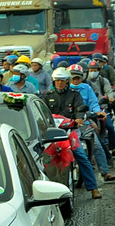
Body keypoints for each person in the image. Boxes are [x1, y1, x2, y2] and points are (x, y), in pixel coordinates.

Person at [43, 67, 101, 198]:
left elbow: (80, 109)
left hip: (70, 132)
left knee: (81, 155)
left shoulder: (75, 95)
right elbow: (43, 113)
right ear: (54, 81)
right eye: (57, 80)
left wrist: (79, 119)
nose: (60, 83)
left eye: (63, 80)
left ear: (67, 81)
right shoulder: (48, 96)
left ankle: (93, 188)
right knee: (43, 158)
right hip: (52, 133)